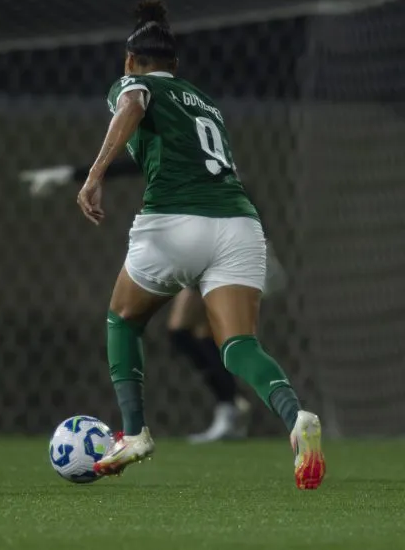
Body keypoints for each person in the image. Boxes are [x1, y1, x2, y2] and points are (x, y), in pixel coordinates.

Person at [74, 0, 324, 489]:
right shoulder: (203, 101)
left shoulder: (133, 83)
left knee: (123, 318)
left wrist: (95, 174)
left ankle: (135, 433)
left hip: (174, 222)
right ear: (178, 65)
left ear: (130, 61)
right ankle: (296, 419)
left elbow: (133, 102)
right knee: (238, 345)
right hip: (239, 225)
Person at [21, 159, 287, 442]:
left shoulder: (183, 145)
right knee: (199, 335)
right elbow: (132, 164)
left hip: (217, 243)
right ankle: (233, 406)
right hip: (216, 240)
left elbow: (134, 164)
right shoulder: (195, 145)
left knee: (186, 332)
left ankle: (236, 406)